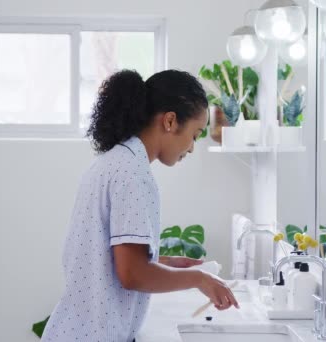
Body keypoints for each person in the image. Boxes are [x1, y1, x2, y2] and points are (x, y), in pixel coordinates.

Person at [41, 69, 239, 342]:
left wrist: (171, 264)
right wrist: (199, 279)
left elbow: (110, 261)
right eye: (195, 134)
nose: (192, 148)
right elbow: (132, 275)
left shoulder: (115, 162)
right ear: (170, 121)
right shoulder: (133, 175)